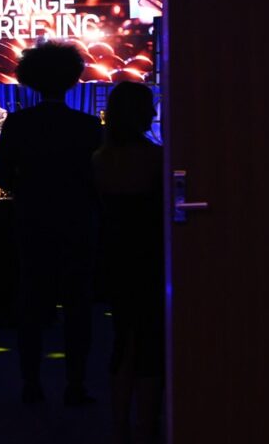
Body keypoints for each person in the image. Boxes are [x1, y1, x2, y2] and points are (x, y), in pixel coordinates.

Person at [0, 42, 102, 406]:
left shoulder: (19, 124)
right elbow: (98, 178)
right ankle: (76, 384)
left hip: (32, 221)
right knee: (77, 306)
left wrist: (26, 188)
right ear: (71, 78)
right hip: (77, 223)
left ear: (31, 78)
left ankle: (31, 383)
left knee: (31, 304)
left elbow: (0, 175)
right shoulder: (88, 126)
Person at [92, 83, 163, 444]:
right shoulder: (156, 159)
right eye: (149, 107)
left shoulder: (99, 159)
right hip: (150, 258)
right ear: (139, 113)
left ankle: (119, 426)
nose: (153, 112)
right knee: (150, 341)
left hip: (114, 258)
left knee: (123, 338)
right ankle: (145, 426)